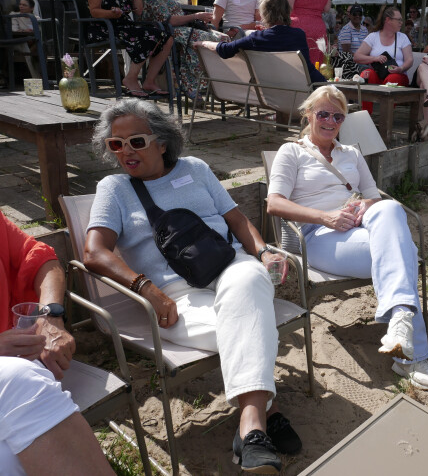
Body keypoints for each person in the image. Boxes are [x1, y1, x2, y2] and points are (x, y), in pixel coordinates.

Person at [83, 100, 300, 473]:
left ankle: (251, 428)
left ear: (162, 142)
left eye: (136, 141)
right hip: (172, 297)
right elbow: (93, 252)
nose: (125, 152)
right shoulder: (114, 188)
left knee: (251, 278)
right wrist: (145, 288)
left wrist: (264, 252)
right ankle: (267, 410)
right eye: (115, 144)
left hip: (230, 267)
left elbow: (236, 220)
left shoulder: (196, 169)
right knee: (249, 326)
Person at [267, 86, 428, 391]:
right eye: (323, 114)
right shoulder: (291, 152)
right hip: (317, 235)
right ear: (308, 114)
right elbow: (274, 204)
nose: (330, 121)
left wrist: (364, 205)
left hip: (359, 229)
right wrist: (326, 217)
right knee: (403, 251)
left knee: (390, 208)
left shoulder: (351, 153)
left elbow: (375, 198)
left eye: (338, 117)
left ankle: (401, 322)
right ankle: (412, 355)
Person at [0, 212, 114, 475]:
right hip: (18, 377)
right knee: (18, 379)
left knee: (11, 458)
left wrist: (50, 315)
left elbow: (41, 258)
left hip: (23, 368)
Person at [85, 0, 173, 98]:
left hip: (123, 25)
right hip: (103, 26)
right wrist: (111, 13)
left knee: (168, 38)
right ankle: (131, 78)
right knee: (151, 34)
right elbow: (94, 10)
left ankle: (149, 81)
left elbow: (138, 10)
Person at [141, 0, 229, 105]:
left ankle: (215, 81)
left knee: (223, 38)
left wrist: (195, 19)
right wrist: (195, 16)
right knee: (200, 39)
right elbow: (168, 20)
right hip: (164, 32)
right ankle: (200, 83)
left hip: (180, 30)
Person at [195, 0, 325, 83]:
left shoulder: (257, 38)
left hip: (272, 93)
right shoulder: (299, 35)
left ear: (264, 13)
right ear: (287, 11)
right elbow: (309, 70)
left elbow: (225, 50)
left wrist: (203, 43)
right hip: (302, 91)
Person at [353, 5, 413, 86]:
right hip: (377, 74)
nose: (401, 22)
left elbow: (409, 60)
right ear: (388, 20)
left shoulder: (403, 37)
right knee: (367, 74)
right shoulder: (373, 37)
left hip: (398, 75)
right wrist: (375, 58)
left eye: (401, 20)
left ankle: (381, 93)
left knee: (393, 79)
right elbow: (357, 57)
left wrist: (400, 68)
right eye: (398, 20)